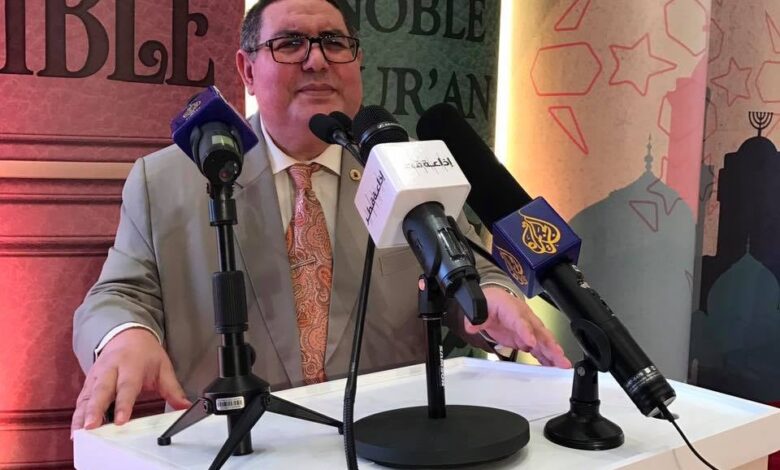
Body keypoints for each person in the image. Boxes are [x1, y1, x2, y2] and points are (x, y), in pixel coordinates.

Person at [70, 0, 570, 436]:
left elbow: (467, 266)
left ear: (358, 60)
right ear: (247, 70)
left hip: (386, 438)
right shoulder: (167, 179)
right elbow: (120, 294)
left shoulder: (406, 167)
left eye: (334, 42)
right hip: (238, 444)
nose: (316, 60)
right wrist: (126, 335)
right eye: (290, 43)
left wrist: (491, 299)